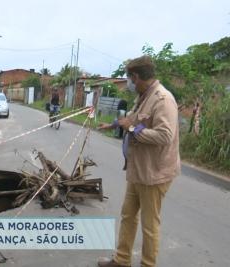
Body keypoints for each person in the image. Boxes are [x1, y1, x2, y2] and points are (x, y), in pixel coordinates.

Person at [98, 55, 180, 267]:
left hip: (154, 173)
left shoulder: (163, 99)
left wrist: (132, 129)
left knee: (149, 225)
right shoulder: (144, 96)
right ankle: (122, 260)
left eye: (130, 79)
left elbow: (165, 136)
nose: (130, 84)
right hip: (138, 169)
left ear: (136, 76)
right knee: (128, 215)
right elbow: (132, 118)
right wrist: (115, 124)